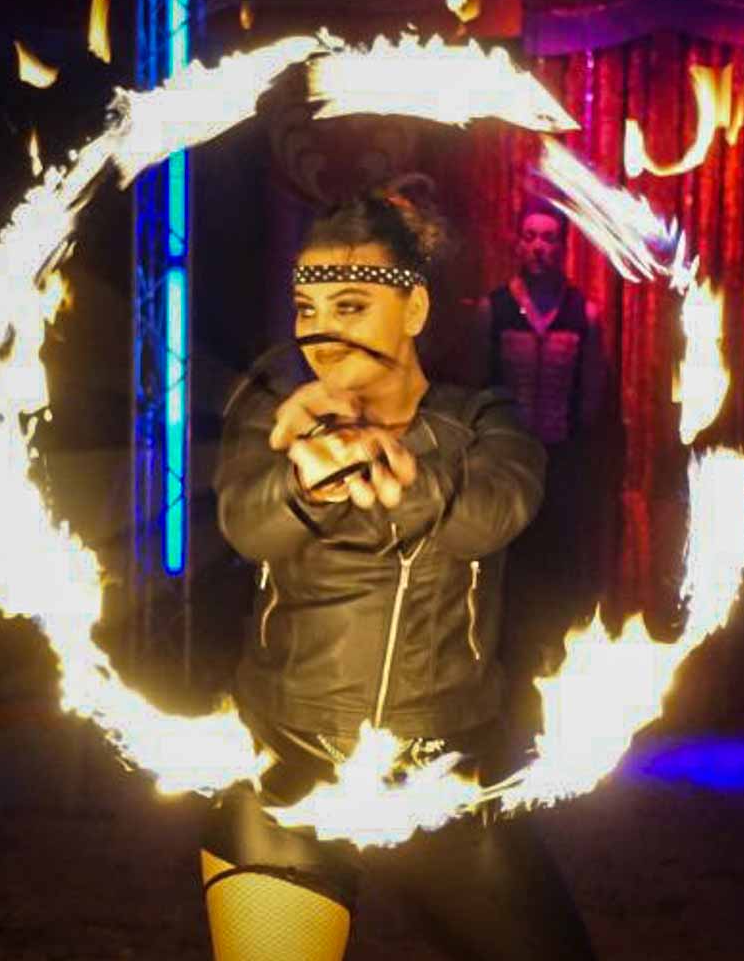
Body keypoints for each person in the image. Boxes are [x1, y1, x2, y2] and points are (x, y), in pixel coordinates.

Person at [207, 182, 597, 961]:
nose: (321, 333)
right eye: (308, 311)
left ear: (412, 310)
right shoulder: (273, 415)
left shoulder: (484, 419)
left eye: (351, 307)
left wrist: (406, 479)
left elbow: (494, 514)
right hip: (287, 769)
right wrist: (304, 480)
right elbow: (246, 524)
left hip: (442, 781)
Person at [468, 199, 613, 701]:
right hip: (503, 463)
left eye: (549, 237)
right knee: (504, 560)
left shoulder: (583, 314)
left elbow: (592, 398)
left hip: (560, 463)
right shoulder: (494, 308)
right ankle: (500, 661)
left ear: (563, 246)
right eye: (530, 235)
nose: (539, 246)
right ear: (517, 241)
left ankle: (553, 659)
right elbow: (477, 386)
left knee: (557, 563)